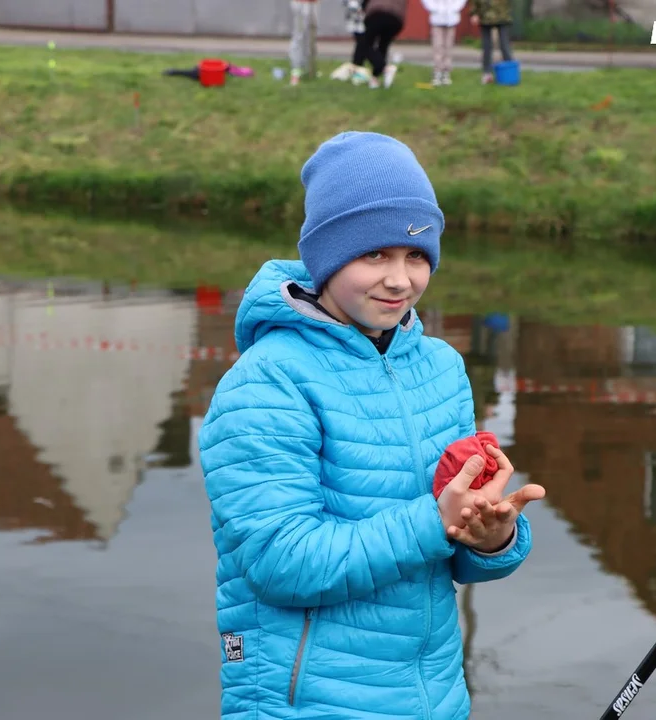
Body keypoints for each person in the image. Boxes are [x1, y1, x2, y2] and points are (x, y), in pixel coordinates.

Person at [199, 131, 544, 720]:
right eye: (373, 255)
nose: (399, 280)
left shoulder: (441, 368)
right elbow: (283, 563)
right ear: (326, 258)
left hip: (435, 698)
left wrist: (492, 538)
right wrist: (435, 521)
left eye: (416, 255)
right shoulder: (268, 381)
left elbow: (449, 551)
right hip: (307, 703)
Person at [352, 0, 408, 88]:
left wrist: (363, 7)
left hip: (377, 12)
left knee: (364, 44)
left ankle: (384, 68)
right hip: (397, 18)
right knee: (383, 45)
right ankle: (375, 79)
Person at [422, 0, 467, 86]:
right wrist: (436, 8)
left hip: (451, 18)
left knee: (448, 47)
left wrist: (454, 8)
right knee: (438, 46)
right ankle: (437, 72)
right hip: (437, 18)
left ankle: (446, 72)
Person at [469, 0, 514, 85]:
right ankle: (487, 73)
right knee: (487, 46)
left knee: (504, 45)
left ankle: (510, 73)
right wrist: (474, 13)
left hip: (502, 14)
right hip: (485, 15)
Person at [330, 0, 369, 81]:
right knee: (362, 43)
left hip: (360, 17)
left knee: (362, 44)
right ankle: (357, 68)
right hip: (357, 18)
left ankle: (357, 67)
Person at [288, 0, 319, 86]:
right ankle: (296, 70)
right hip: (301, 3)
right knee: (299, 35)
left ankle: (309, 68)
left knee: (311, 35)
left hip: (313, 3)